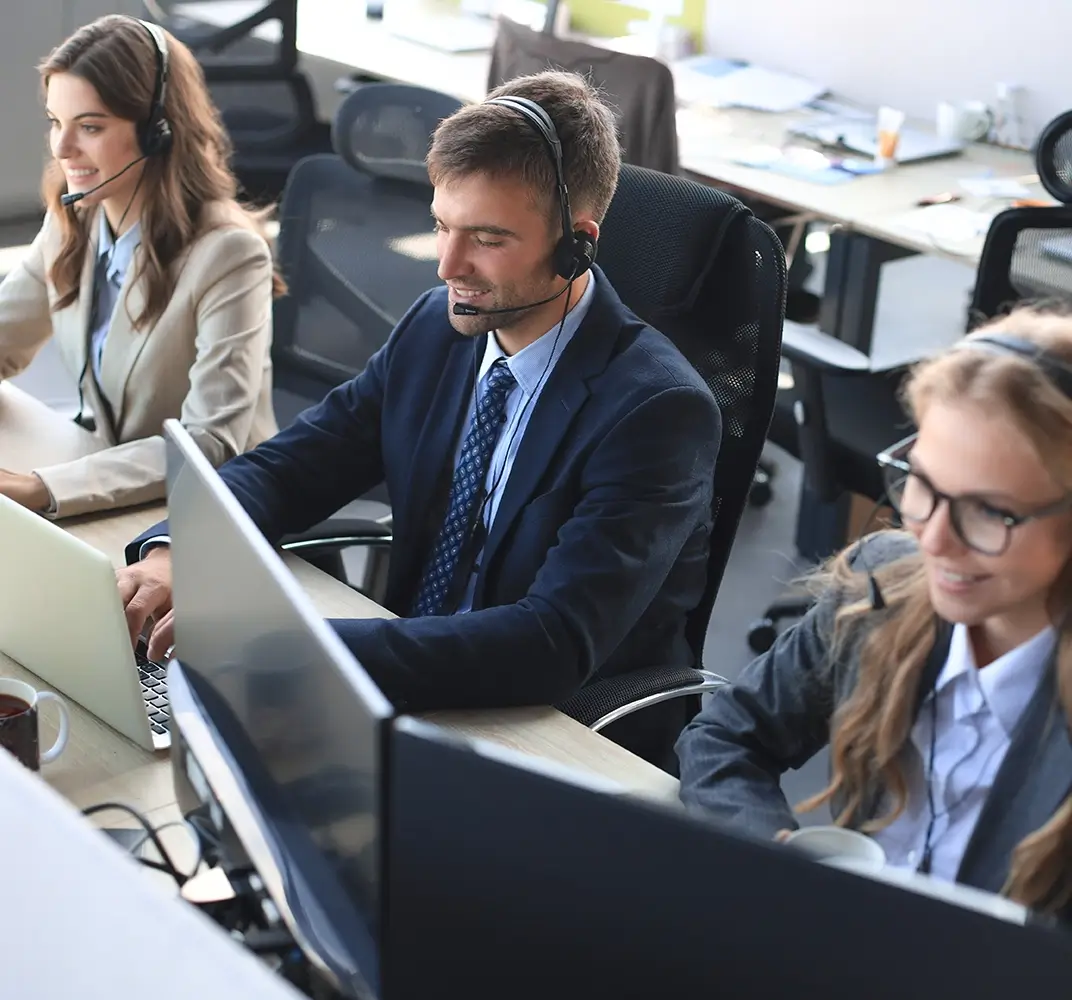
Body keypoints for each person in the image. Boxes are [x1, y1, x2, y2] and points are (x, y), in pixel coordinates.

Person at [117, 70, 721, 767]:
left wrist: (291, 647)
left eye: (487, 239)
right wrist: (179, 548)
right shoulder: (440, 330)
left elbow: (551, 643)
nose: (446, 266)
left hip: (554, 739)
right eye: (441, 225)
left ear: (576, 243)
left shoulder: (655, 412)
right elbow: (297, 464)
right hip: (401, 692)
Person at [676, 306, 1072, 919]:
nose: (934, 539)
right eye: (922, 484)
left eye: (991, 511)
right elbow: (728, 735)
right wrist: (776, 863)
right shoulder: (884, 583)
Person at [0, 14, 280, 518]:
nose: (63, 149)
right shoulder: (75, 217)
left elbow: (208, 443)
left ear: (158, 133)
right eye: (55, 122)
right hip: (110, 486)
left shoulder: (228, 255)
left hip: (209, 515)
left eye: (89, 127)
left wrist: (42, 487)